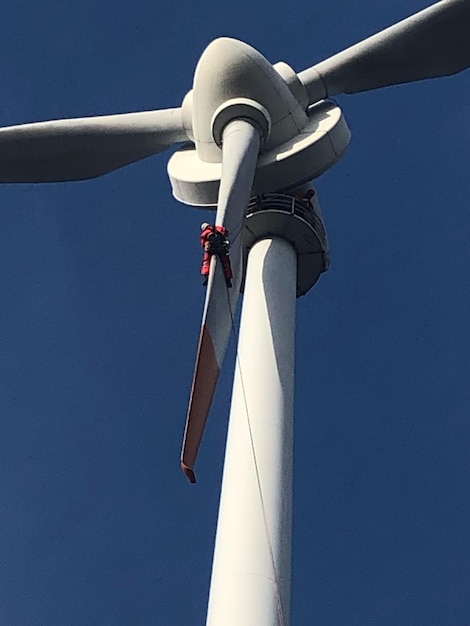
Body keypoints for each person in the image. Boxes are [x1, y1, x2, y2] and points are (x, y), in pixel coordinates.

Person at [200, 223, 233, 287]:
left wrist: (205, 245)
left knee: (206, 262)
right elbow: (225, 232)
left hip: (211, 248)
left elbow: (203, 242)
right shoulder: (217, 229)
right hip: (221, 247)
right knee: (226, 263)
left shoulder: (205, 233)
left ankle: (207, 277)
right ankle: (228, 280)